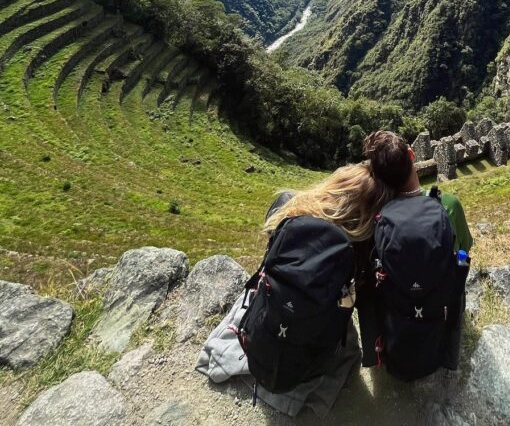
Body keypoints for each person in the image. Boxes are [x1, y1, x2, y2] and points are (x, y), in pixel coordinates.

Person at [197, 163, 391, 418]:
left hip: (264, 333)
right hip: (310, 356)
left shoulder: (288, 205)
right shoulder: (358, 244)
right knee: (346, 346)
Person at [357, 130, 472, 380]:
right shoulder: (448, 205)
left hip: (395, 331)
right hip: (436, 320)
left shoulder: (376, 216)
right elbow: (465, 246)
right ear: (412, 155)